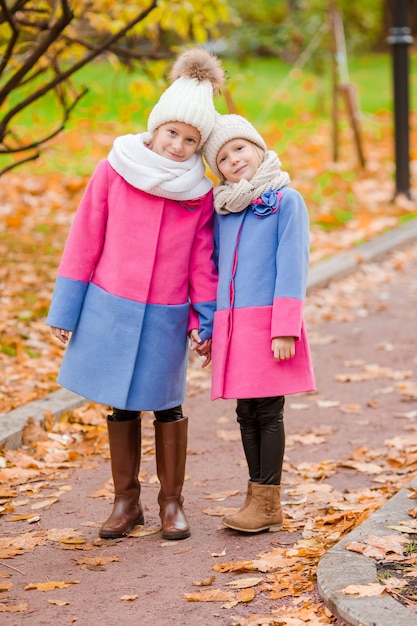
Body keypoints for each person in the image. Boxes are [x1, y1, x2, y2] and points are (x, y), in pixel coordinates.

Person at [46, 48, 225, 541]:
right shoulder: (114, 169)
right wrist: (68, 308)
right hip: (110, 307)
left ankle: (172, 503)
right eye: (172, 133)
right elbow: (85, 238)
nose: (178, 146)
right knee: (121, 406)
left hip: (165, 315)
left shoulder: (198, 193)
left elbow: (200, 264)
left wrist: (202, 322)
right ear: (155, 127)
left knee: (167, 406)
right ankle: (126, 502)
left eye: (191, 140)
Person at [203, 114, 316, 533]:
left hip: (269, 324)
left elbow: (292, 266)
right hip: (234, 325)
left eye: (239, 148)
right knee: (244, 411)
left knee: (268, 409)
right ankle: (257, 492)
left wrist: (285, 326)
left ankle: (269, 500)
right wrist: (210, 327)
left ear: (258, 148)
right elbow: (213, 269)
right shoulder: (224, 210)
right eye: (223, 157)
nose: (234, 160)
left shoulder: (286, 201)